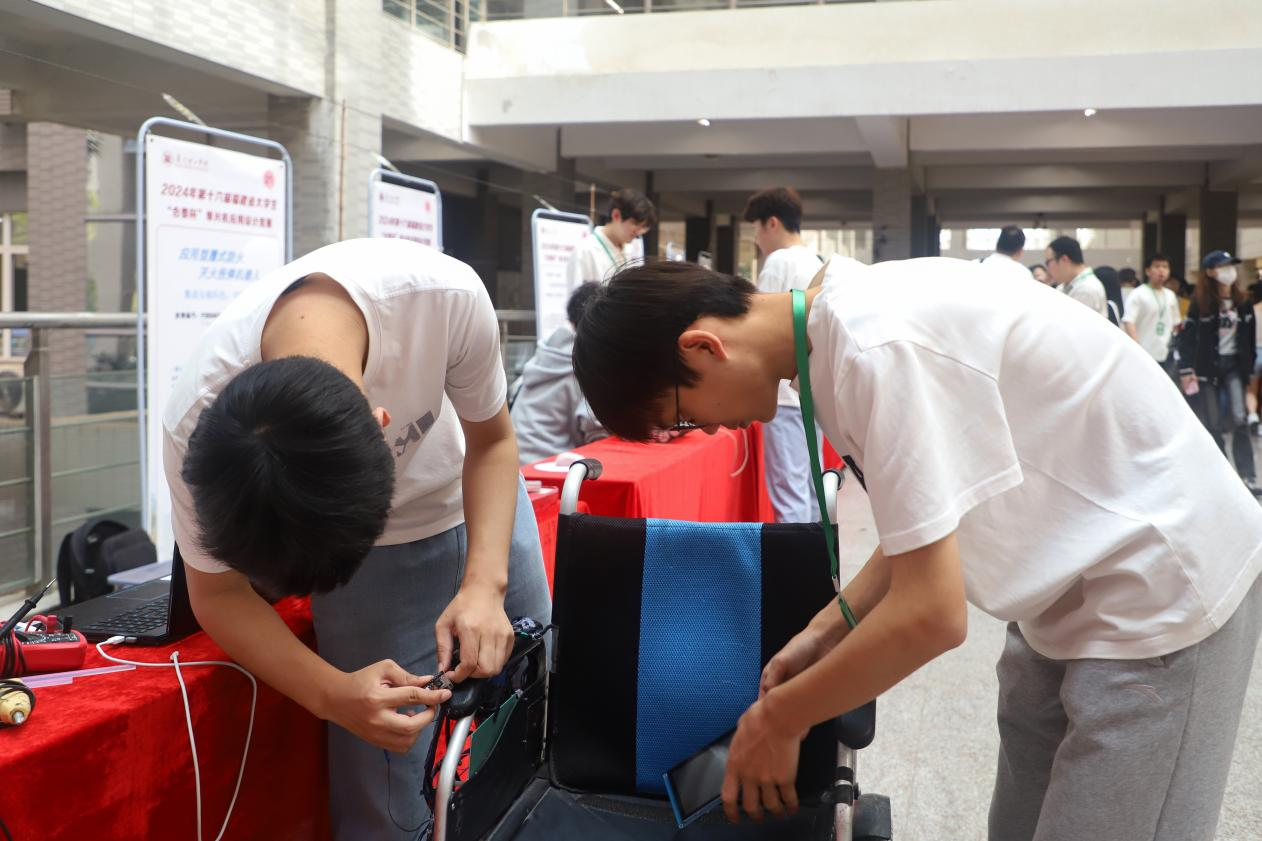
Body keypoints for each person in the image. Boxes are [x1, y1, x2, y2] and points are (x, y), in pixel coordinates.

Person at [571, 257, 1262, 841]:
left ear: (702, 347)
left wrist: (779, 719)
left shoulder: (873, 345)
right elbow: (929, 517)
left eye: (681, 416)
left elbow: (933, 614)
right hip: (1065, 585)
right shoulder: (836, 325)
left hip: (1161, 584)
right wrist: (830, 626)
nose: (705, 430)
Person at [165, 238, 553, 838]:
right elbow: (216, 593)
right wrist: (335, 695)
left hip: (477, 496)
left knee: (534, 716)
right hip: (357, 545)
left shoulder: (443, 296)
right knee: (394, 803)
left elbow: (494, 441)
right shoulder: (198, 427)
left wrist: (486, 583)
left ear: (380, 426)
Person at [743, 186, 825, 522]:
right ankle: (819, 555)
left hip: (784, 396)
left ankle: (796, 558)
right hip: (812, 392)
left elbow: (758, 331)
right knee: (812, 488)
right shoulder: (817, 261)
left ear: (772, 223)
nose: (757, 239)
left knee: (789, 493)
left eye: (756, 229)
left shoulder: (779, 261)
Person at [1175, 249, 1261, 495]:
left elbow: (1249, 338)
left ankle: (1247, 476)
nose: (1229, 271)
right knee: (1212, 422)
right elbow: (1187, 338)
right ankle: (1222, 477)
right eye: (1223, 266)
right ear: (1211, 272)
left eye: (1230, 266)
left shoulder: (1243, 303)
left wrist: (1249, 368)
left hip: (1234, 366)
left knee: (1239, 418)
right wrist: (1186, 369)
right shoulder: (1200, 304)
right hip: (1207, 368)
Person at [510, 282, 606, 464]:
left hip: (514, 464)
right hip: (554, 467)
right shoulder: (588, 362)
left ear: (572, 320)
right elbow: (597, 431)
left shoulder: (546, 353)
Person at [564, 188, 657, 292]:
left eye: (643, 227)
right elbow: (576, 298)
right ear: (616, 215)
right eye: (635, 224)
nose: (639, 232)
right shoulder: (585, 251)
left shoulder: (633, 249)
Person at [1123, 253, 1182, 380]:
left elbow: (1176, 323)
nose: (1161, 270)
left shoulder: (1170, 295)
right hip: (1144, 352)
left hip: (1165, 352)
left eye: (1165, 267)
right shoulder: (1138, 294)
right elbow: (1129, 321)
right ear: (1148, 271)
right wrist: (1137, 347)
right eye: (1157, 266)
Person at [1044, 235, 1109, 319]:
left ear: (1064, 260)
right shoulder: (1066, 285)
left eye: (1048, 262)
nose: (1048, 269)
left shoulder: (1086, 289)